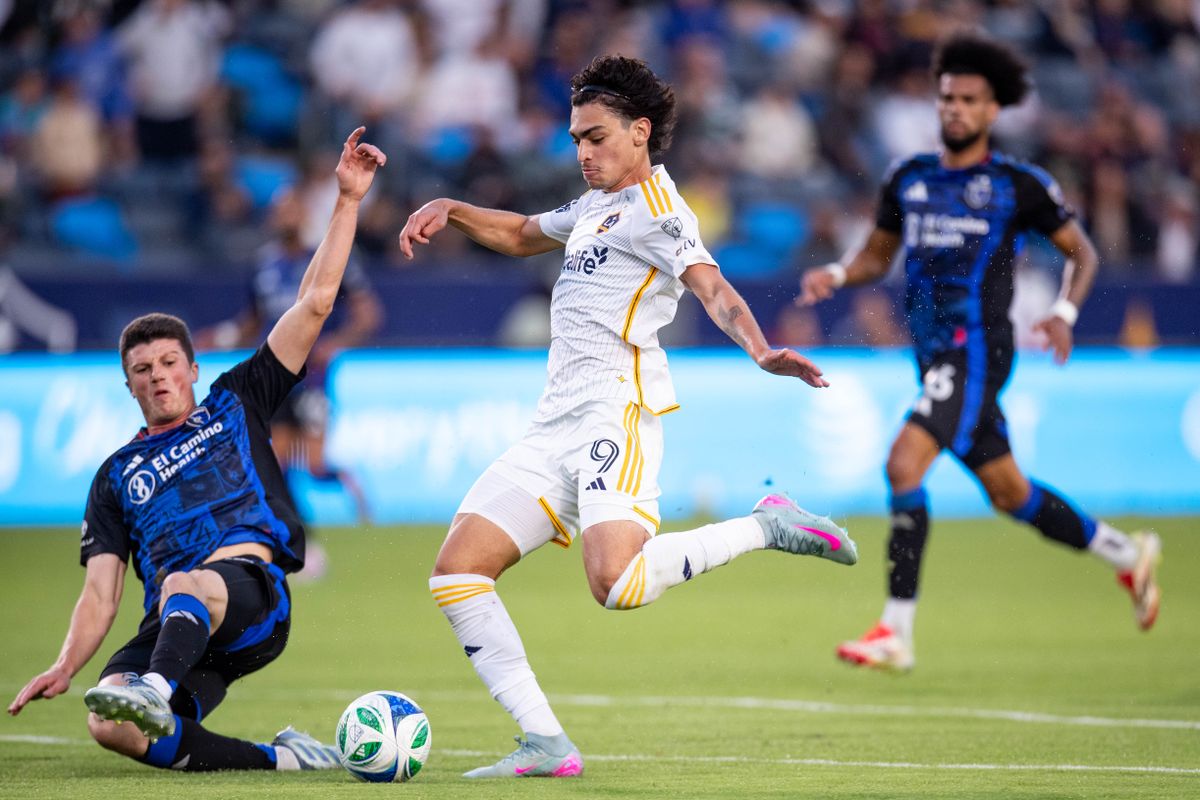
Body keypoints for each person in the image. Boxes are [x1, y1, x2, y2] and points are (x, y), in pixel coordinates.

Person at [399, 54, 858, 780]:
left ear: (640, 132)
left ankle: (767, 525)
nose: (583, 152)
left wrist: (761, 348)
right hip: (553, 423)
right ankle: (545, 744)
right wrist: (451, 208)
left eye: (597, 137)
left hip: (618, 409)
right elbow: (521, 233)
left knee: (616, 586)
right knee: (456, 574)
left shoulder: (662, 214)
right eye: (577, 138)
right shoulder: (594, 206)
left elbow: (712, 288)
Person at [7, 128, 387, 772]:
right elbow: (102, 594)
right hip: (177, 627)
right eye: (142, 369)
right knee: (110, 725)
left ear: (191, 367)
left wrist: (346, 200)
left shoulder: (237, 400)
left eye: (167, 362)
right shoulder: (115, 478)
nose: (157, 375)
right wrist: (68, 664)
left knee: (188, 587)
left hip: (250, 598)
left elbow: (317, 303)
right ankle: (285, 760)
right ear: (127, 384)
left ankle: (155, 691)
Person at [799, 33, 1162, 673]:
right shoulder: (909, 179)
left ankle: (896, 631)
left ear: (994, 110)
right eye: (947, 99)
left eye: (969, 100)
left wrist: (1064, 312)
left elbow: (1083, 252)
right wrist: (836, 272)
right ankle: (1128, 557)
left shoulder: (1017, 185)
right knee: (1008, 491)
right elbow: (878, 257)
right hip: (932, 356)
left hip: (976, 353)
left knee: (903, 464)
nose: (955, 110)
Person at [199, 171, 384, 576]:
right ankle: (304, 545)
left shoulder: (327, 259)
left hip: (314, 380)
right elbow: (252, 321)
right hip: (274, 379)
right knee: (277, 466)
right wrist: (222, 336)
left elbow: (368, 312)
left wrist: (338, 343)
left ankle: (347, 484)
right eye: (279, 210)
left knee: (314, 466)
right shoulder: (263, 266)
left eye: (292, 209)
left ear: (303, 215)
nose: (285, 216)